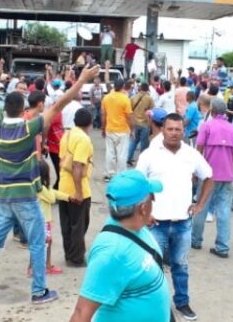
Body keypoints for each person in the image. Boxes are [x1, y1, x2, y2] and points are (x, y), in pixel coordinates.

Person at [0, 62, 100, 304]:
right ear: (23, 108)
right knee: (37, 243)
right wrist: (82, 79)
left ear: (4, 109)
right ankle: (38, 291)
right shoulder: (29, 128)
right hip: (25, 197)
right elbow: (60, 103)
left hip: (3, 198)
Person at [136, 113, 214, 321]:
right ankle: (154, 305)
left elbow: (208, 177)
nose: (173, 133)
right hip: (156, 224)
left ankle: (182, 302)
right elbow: (137, 184)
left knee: (181, 265)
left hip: (182, 223)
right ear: (162, 129)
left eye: (177, 129)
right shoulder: (149, 155)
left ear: (183, 131)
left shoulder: (191, 154)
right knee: (152, 267)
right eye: (169, 129)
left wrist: (200, 204)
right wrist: (145, 213)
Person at [68, 170, 169, 322]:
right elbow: (81, 314)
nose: (153, 203)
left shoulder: (134, 224)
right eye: (152, 198)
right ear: (142, 208)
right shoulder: (111, 252)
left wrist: (144, 218)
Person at [191, 99, 233, 258]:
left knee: (201, 206)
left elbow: (198, 151)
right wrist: (232, 171)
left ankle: (196, 240)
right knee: (224, 210)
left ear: (212, 111)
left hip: (208, 175)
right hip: (227, 175)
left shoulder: (207, 126)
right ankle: (222, 247)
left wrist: (194, 173)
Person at [58, 108, 95, 267]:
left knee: (67, 224)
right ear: (90, 123)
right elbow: (77, 165)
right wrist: (79, 192)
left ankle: (69, 254)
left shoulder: (67, 134)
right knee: (79, 225)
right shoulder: (83, 139)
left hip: (63, 186)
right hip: (77, 188)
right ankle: (77, 258)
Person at [101, 77, 134, 182]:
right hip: (123, 130)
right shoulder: (125, 99)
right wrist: (132, 129)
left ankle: (109, 174)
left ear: (114, 85)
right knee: (122, 154)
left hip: (110, 129)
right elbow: (129, 116)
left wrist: (103, 128)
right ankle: (121, 174)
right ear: (123, 86)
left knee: (110, 153)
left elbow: (103, 115)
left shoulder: (106, 98)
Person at [127, 83, 156, 166]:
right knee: (144, 144)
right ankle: (142, 161)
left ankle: (129, 158)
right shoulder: (149, 99)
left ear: (140, 88)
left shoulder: (133, 97)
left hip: (135, 123)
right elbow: (152, 112)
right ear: (147, 89)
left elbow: (130, 110)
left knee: (133, 141)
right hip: (145, 124)